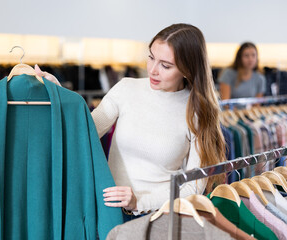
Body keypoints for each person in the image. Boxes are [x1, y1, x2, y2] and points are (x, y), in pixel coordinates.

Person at [35, 23, 226, 220]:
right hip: (109, 211)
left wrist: (140, 202)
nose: (152, 70)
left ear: (187, 69)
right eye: (151, 57)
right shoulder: (126, 89)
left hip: (159, 217)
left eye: (165, 65)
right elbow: (84, 131)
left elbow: (193, 186)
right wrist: (61, 96)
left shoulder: (197, 112)